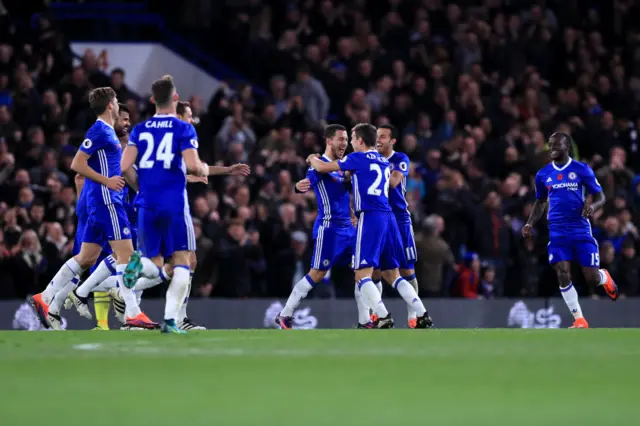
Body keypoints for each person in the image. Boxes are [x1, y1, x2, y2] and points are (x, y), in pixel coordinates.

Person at [307, 123, 433, 329]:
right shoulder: (383, 161)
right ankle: (422, 313)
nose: (350, 143)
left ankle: (382, 315)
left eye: (353, 139)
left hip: (370, 217)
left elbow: (322, 167)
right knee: (393, 274)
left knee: (361, 274)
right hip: (389, 218)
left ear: (360, 141)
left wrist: (312, 158)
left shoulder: (356, 158)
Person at [66, 104, 162, 330]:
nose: (127, 122)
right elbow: (80, 175)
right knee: (120, 259)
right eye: (124, 118)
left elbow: (138, 178)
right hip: (106, 206)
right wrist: (85, 209)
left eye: (130, 119)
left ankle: (76, 296)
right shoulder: (106, 143)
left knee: (119, 259)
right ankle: (113, 317)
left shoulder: (130, 147)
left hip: (123, 207)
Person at [522, 132, 618, 328]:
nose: (551, 149)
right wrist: (529, 223)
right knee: (562, 272)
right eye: (550, 145)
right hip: (557, 231)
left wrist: (593, 207)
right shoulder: (543, 174)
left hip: (580, 229)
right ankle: (579, 319)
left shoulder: (581, 170)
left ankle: (603, 277)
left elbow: (600, 196)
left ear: (567, 147)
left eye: (555, 145)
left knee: (591, 278)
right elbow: (540, 202)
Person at [275, 124, 354, 329]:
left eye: (346, 139)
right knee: (317, 273)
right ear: (329, 140)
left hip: (349, 227)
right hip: (329, 228)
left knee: (366, 268)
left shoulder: (341, 165)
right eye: (340, 139)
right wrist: (299, 186)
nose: (344, 143)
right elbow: (308, 181)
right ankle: (285, 314)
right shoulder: (319, 165)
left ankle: (368, 319)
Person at [374, 124, 420, 328]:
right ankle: (377, 314)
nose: (378, 140)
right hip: (379, 220)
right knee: (374, 270)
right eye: (377, 136)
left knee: (406, 269)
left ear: (393, 141)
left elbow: (393, 182)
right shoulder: (371, 159)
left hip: (400, 219)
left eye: (383, 137)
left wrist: (371, 172)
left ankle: (414, 315)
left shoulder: (400, 159)